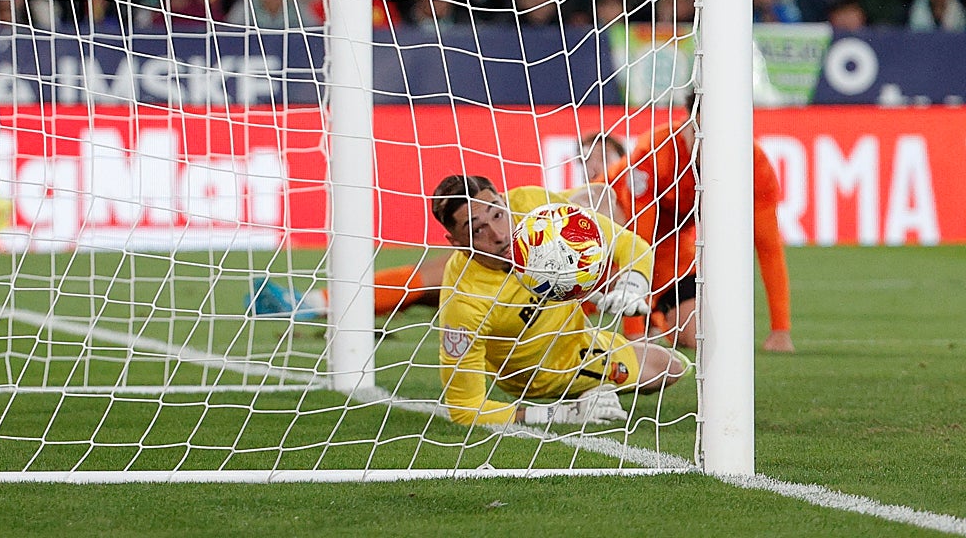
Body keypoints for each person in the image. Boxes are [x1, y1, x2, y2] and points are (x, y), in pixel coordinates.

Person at [246, 132, 628, 320]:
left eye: (601, 157)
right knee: (428, 285)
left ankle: (315, 305)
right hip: (521, 289)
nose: (593, 166)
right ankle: (319, 306)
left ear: (622, 158)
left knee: (435, 279)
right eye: (586, 159)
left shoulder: (622, 197)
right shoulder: (568, 199)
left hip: (574, 300)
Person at [432, 174, 686, 428]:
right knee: (665, 367)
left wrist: (632, 285)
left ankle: (596, 383)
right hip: (540, 373)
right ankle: (585, 392)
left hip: (578, 334)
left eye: (498, 215)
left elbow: (629, 243)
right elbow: (465, 409)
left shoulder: (530, 205)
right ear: (458, 244)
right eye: (477, 230)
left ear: (504, 202)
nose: (499, 235)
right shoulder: (464, 301)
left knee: (674, 367)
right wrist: (558, 414)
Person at [606, 111, 795, 353]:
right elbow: (637, 240)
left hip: (671, 249)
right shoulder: (654, 151)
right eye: (701, 133)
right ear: (689, 125)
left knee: (699, 335)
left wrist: (780, 330)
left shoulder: (753, 163)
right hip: (611, 237)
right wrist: (634, 334)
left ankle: (656, 317)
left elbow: (768, 246)